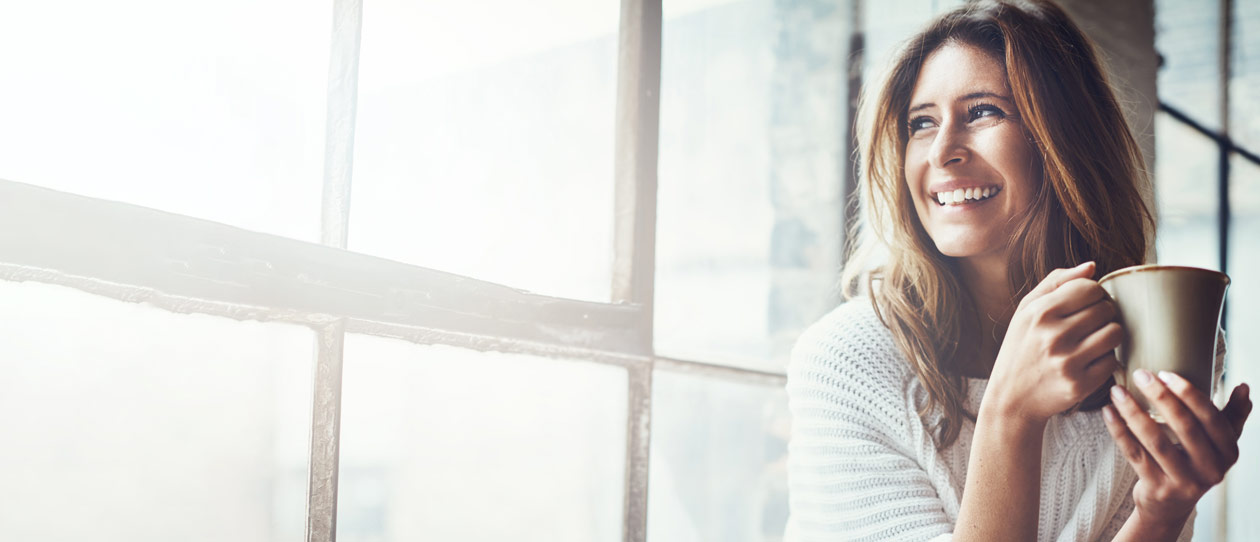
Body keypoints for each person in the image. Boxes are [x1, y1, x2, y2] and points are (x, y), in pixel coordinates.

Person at [784, 1, 1253, 541]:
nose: (942, 151)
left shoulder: (1147, 352)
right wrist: (1010, 414)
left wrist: (1160, 513)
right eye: (921, 123)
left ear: (1066, 141)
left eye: (983, 112)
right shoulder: (846, 363)